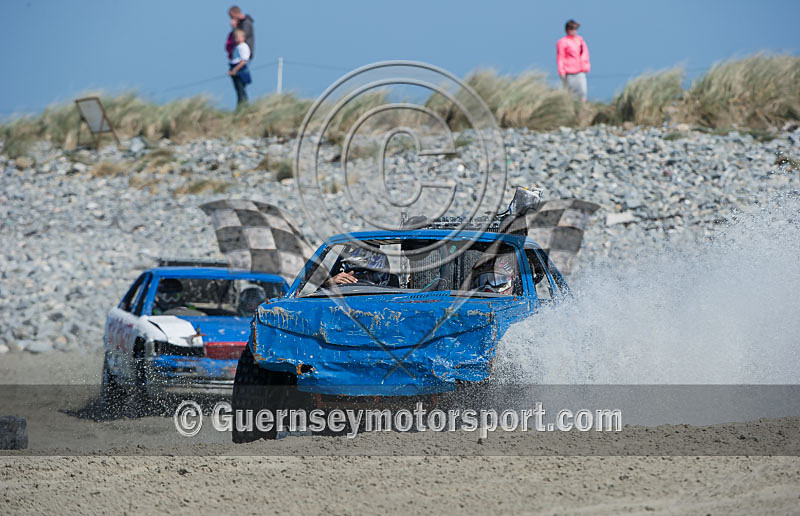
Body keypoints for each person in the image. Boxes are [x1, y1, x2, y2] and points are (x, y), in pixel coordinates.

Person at [556, 19, 590, 102]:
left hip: (581, 71)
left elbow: (585, 54)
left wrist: (587, 66)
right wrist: (561, 72)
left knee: (583, 94)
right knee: (572, 96)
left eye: (575, 29)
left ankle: (582, 112)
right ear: (567, 30)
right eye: (571, 29)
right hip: (570, 73)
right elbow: (560, 57)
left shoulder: (581, 40)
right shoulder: (563, 42)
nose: (574, 31)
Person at [228, 28, 252, 107]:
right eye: (235, 37)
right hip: (235, 68)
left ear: (243, 37)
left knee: (241, 90)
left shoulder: (243, 47)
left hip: (240, 70)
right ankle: (240, 106)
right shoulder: (237, 47)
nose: (237, 39)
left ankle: (244, 106)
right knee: (238, 90)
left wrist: (234, 70)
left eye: (238, 37)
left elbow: (244, 61)